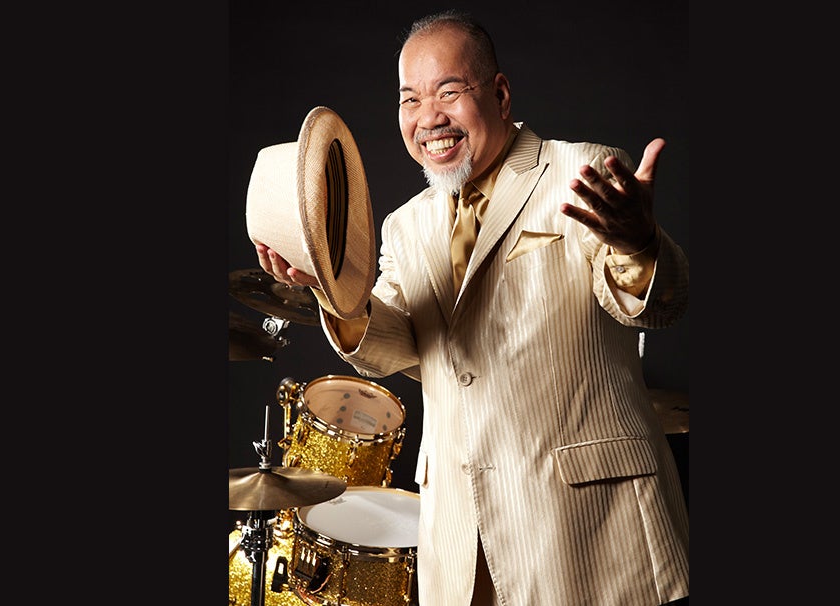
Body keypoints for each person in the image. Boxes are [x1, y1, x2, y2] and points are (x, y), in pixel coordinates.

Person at [254, 9, 689, 606]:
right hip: (463, 541)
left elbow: (657, 306)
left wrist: (639, 245)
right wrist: (332, 289)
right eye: (410, 99)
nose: (429, 118)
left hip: (590, 530)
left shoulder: (581, 171)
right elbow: (395, 346)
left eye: (449, 92)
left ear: (500, 94)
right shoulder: (405, 225)